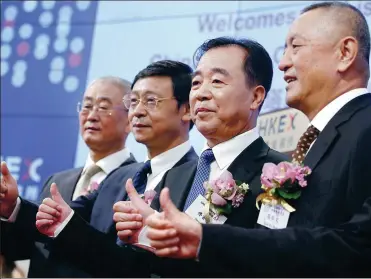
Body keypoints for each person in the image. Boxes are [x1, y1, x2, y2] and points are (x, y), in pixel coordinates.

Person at [143, 2, 371, 277]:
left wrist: (206, 238)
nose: (283, 63)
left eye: (296, 47)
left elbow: (365, 248)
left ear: (345, 53)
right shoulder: (315, 142)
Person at [35, 37, 288, 277]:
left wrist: (199, 244)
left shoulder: (279, 173)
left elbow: (273, 265)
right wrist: (70, 226)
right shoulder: (175, 175)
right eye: (197, 83)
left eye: (217, 82)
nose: (201, 93)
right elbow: (135, 270)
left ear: (256, 96)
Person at [1, 60, 198, 277]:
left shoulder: (200, 178)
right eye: (133, 102)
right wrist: (13, 205)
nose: (138, 111)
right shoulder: (119, 177)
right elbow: (61, 217)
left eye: (151, 101)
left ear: (187, 109)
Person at [0, 76, 136, 277]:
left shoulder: (136, 182)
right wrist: (9, 210)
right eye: (87, 106)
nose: (91, 115)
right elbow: (26, 250)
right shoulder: (57, 181)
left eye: (103, 107)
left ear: (130, 119)